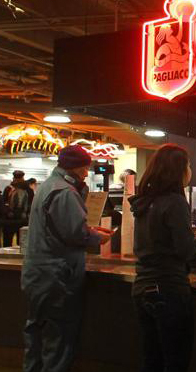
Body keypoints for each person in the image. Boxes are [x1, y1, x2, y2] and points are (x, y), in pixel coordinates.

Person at [130, 144, 196, 372]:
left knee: (152, 361)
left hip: (142, 287)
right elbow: (187, 250)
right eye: (187, 165)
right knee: (175, 363)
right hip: (168, 290)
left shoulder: (145, 201)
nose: (190, 170)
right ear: (178, 170)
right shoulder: (174, 202)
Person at [21, 146, 111, 372]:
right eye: (85, 167)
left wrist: (85, 228)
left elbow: (59, 227)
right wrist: (96, 236)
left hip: (36, 275)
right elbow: (75, 233)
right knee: (58, 339)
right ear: (79, 167)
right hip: (57, 276)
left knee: (36, 333)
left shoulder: (47, 187)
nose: (86, 172)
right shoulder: (65, 192)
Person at [3, 170, 34, 247]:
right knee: (17, 243)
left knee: (19, 243)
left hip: (16, 219)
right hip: (16, 219)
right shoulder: (10, 189)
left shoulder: (9, 189)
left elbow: (4, 203)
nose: (17, 180)